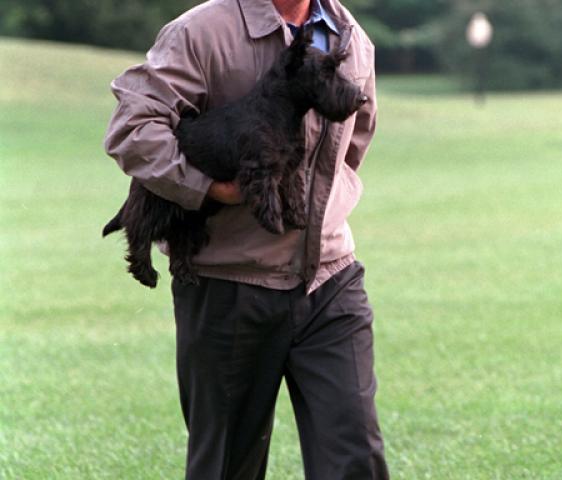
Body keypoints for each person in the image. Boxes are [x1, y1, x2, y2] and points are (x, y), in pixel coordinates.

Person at [104, 0, 389, 478]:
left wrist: (324, 217)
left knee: (356, 458)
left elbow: (353, 144)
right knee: (227, 466)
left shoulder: (351, 37)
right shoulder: (200, 32)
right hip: (228, 285)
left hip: (331, 282)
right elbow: (134, 129)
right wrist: (209, 189)